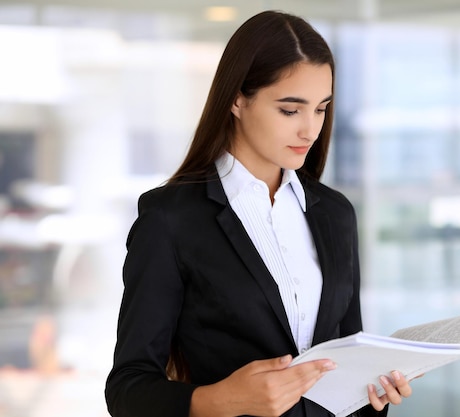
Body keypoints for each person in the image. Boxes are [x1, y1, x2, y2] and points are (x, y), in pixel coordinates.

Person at [105, 10, 413, 417]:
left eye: (321, 109)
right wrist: (220, 400)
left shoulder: (335, 213)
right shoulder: (171, 218)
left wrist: (374, 394)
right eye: (290, 110)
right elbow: (128, 388)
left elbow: (345, 359)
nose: (310, 130)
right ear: (237, 98)